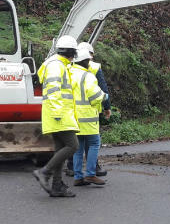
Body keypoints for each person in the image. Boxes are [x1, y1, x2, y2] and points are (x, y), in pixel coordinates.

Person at [32, 35, 79, 198]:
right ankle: (44, 172)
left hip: (58, 114)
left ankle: (57, 186)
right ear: (71, 51)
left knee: (61, 150)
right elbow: (53, 90)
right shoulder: (56, 65)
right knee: (73, 146)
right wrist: (58, 113)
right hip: (58, 115)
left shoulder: (60, 65)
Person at [65, 41, 111, 177]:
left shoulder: (68, 71)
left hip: (73, 115)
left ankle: (75, 171)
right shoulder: (92, 71)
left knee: (76, 145)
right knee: (94, 143)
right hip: (89, 116)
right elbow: (100, 92)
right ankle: (92, 171)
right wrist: (106, 102)